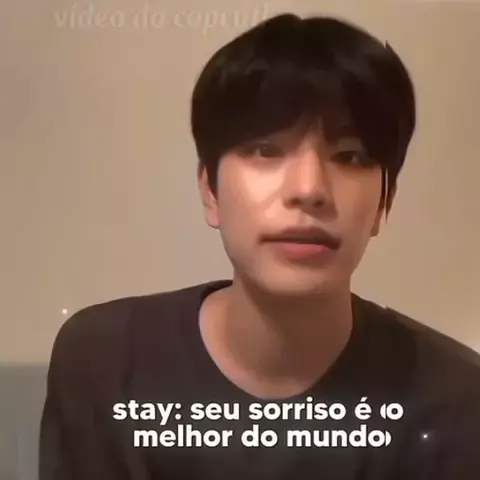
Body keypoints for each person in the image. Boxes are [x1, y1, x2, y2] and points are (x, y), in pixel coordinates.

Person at [39, 13, 480, 480]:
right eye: (266, 150)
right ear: (210, 191)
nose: (309, 189)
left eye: (349, 156)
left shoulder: (456, 399)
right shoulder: (103, 360)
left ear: (382, 204)